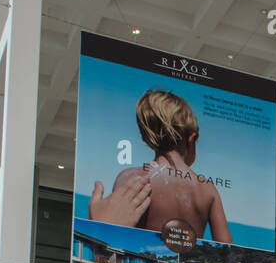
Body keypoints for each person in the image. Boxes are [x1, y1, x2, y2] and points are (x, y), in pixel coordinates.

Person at [88, 88, 231, 243]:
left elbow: (116, 235)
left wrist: (97, 226)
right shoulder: (208, 189)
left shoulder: (132, 178)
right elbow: (229, 247)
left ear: (146, 137)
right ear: (192, 138)